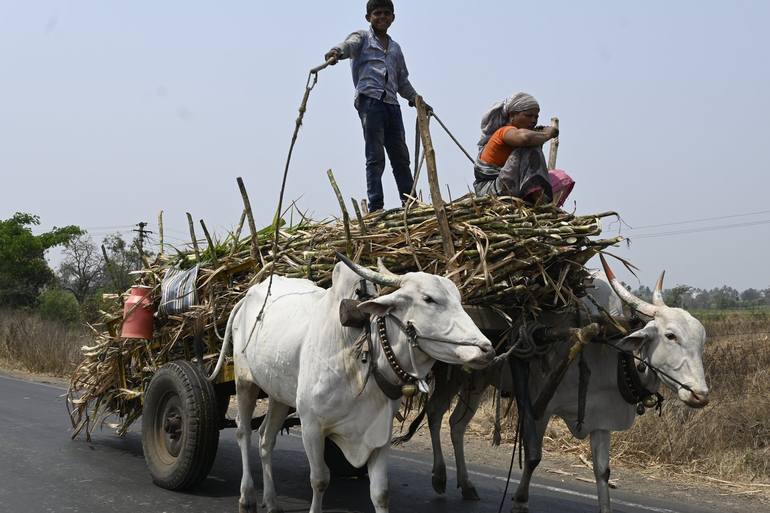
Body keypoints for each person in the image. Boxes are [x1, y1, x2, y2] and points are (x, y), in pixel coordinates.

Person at [324, 0, 429, 212]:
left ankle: (410, 203)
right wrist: (336, 52)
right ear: (368, 18)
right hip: (370, 102)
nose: (382, 17)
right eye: (377, 14)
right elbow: (348, 46)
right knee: (375, 156)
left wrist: (417, 100)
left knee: (401, 157)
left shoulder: (396, 49)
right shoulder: (362, 38)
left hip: (392, 105)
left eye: (386, 14)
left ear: (393, 17)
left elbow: (402, 82)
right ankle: (376, 206)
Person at [473, 93, 573, 205]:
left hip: (511, 186)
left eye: (536, 117)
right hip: (493, 191)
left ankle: (543, 202)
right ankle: (539, 200)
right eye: (529, 115)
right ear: (512, 115)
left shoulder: (526, 134)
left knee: (560, 177)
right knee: (529, 148)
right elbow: (525, 138)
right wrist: (547, 134)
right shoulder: (504, 132)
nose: (534, 120)